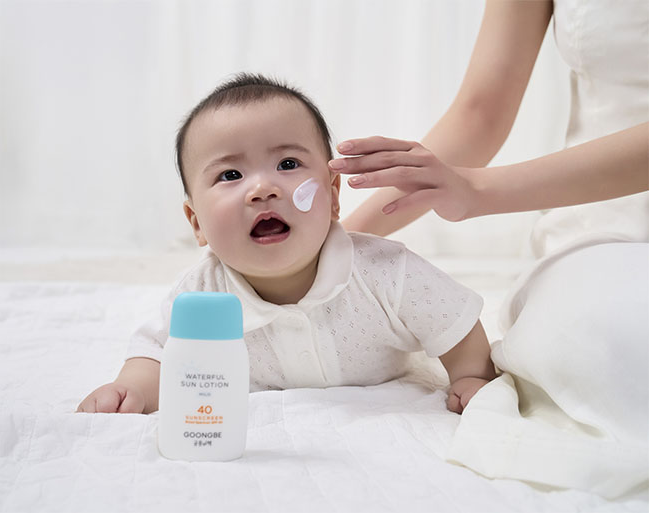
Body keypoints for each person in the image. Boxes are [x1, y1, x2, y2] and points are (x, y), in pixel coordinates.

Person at [329, 0, 648, 499]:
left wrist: (477, 192)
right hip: (605, 225)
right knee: (598, 348)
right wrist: (339, 244)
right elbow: (481, 110)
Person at [76, 73, 496, 415]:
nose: (262, 188)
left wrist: (470, 376)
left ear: (333, 196)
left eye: (288, 164)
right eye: (230, 175)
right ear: (197, 223)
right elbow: (158, 353)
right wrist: (133, 389)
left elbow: (453, 321)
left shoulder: (386, 271)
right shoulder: (202, 293)